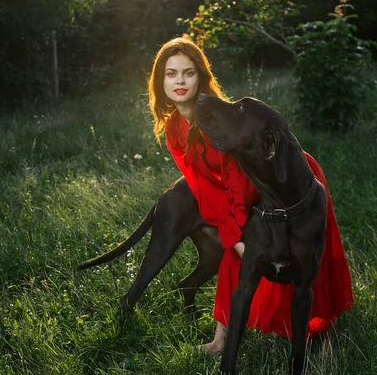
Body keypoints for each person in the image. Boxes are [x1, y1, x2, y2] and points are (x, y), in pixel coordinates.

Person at [148, 37, 354, 356]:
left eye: (188, 73)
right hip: (247, 189)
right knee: (234, 253)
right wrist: (231, 231)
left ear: (201, 76)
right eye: (171, 73)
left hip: (278, 183)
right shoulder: (174, 126)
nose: (179, 81)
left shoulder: (217, 121)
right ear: (159, 80)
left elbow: (240, 181)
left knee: (306, 251)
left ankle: (322, 327)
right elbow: (203, 184)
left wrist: (238, 227)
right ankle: (222, 340)